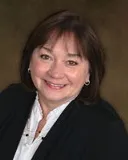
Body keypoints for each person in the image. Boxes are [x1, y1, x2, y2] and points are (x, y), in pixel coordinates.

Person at [0, 10, 127, 160]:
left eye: (71, 62)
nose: (55, 73)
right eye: (46, 57)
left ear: (89, 73)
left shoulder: (105, 130)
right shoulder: (11, 99)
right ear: (29, 60)